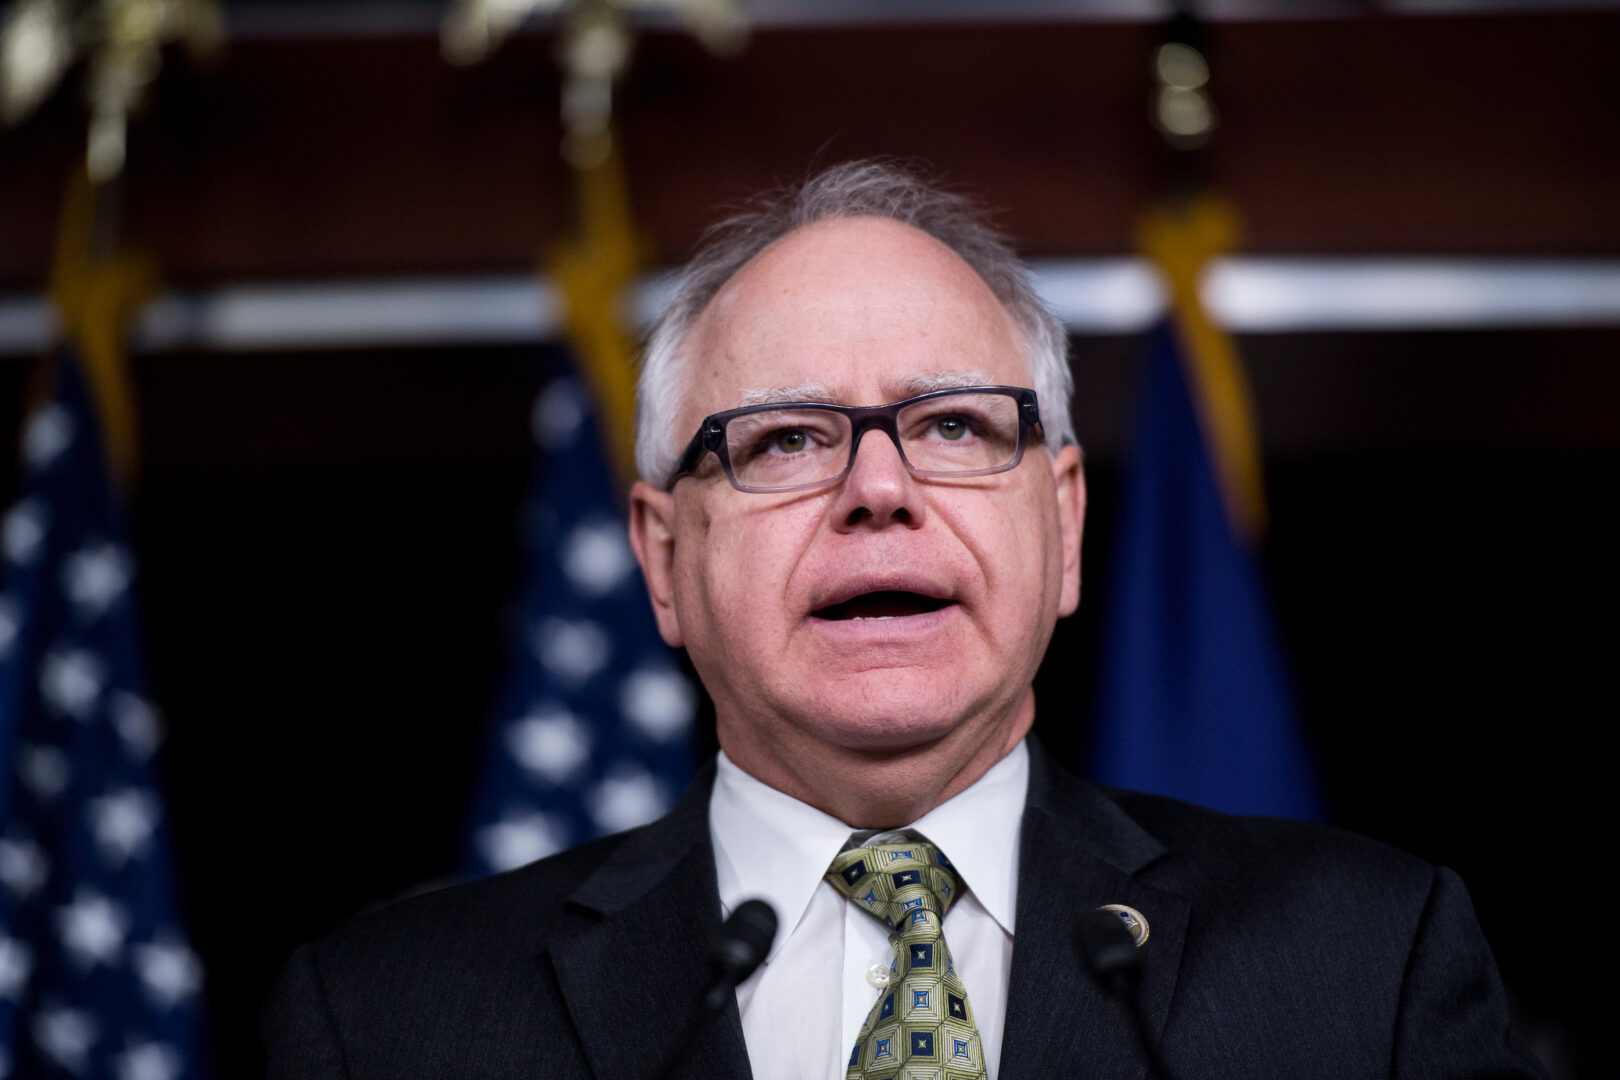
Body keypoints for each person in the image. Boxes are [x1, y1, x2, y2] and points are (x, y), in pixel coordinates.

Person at [265, 161, 1544, 1079]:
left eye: (953, 427)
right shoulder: (389, 1022)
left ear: (1064, 527)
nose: (879, 491)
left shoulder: (1362, 971)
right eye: (784, 439)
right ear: (664, 554)